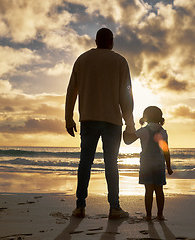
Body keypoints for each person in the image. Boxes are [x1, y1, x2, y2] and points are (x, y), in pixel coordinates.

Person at [65, 28, 135, 219]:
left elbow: (72, 90)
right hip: (112, 121)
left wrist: (68, 117)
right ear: (111, 42)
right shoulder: (120, 61)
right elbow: (126, 96)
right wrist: (130, 124)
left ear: (96, 41)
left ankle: (80, 206)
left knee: (85, 163)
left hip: (88, 118)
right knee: (111, 163)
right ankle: (114, 207)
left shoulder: (82, 59)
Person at [123, 106, 173, 220]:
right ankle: (160, 215)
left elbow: (128, 141)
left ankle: (149, 215)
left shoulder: (143, 130)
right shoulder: (163, 132)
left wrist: (125, 131)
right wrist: (169, 167)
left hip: (146, 165)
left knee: (148, 190)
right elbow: (166, 151)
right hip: (159, 165)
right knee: (159, 190)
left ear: (145, 118)